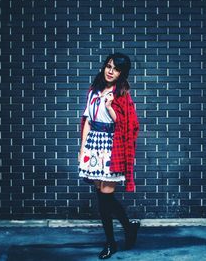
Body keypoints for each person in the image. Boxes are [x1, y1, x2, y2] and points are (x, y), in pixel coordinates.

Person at [78, 53, 140, 259]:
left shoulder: (121, 93)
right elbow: (87, 119)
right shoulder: (94, 90)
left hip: (111, 145)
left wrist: (109, 106)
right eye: (108, 66)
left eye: (116, 69)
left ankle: (111, 243)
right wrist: (82, 149)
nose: (110, 71)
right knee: (102, 194)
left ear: (122, 73)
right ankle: (129, 227)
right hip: (94, 144)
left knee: (105, 197)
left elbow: (126, 123)